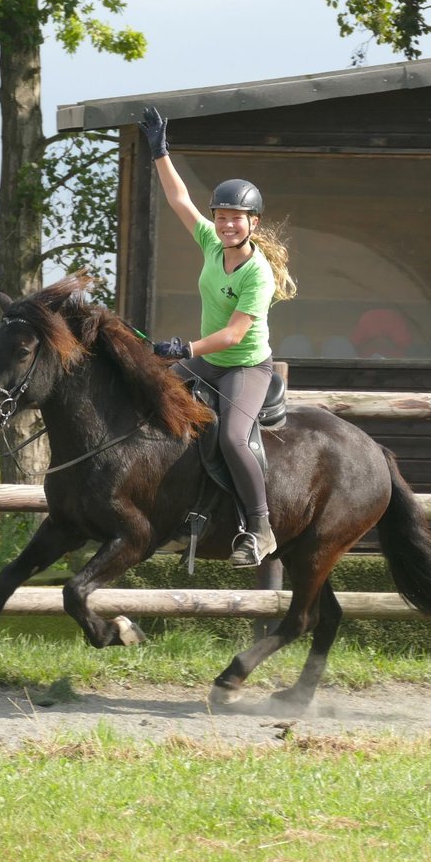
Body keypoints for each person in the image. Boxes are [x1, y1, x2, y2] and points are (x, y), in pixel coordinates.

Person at [138, 106, 297, 568]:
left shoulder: (258, 274)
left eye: (237, 218)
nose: (226, 224)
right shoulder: (211, 241)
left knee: (231, 436)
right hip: (208, 358)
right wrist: (160, 152)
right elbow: (178, 200)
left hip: (245, 365)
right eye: (222, 217)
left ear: (254, 224)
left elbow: (232, 336)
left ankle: (260, 527)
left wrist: (184, 349)